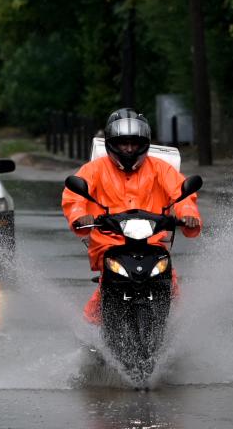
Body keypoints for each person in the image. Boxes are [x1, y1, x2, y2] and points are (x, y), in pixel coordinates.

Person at [61, 108, 202, 325]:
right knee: (105, 287)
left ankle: (177, 331)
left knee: (171, 284)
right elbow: (74, 196)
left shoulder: (161, 169)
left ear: (144, 143)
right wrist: (81, 216)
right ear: (110, 143)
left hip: (152, 243)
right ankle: (90, 333)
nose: (128, 149)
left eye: (134, 143)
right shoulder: (94, 169)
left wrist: (188, 215)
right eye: (122, 143)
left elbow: (182, 193)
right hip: (109, 243)